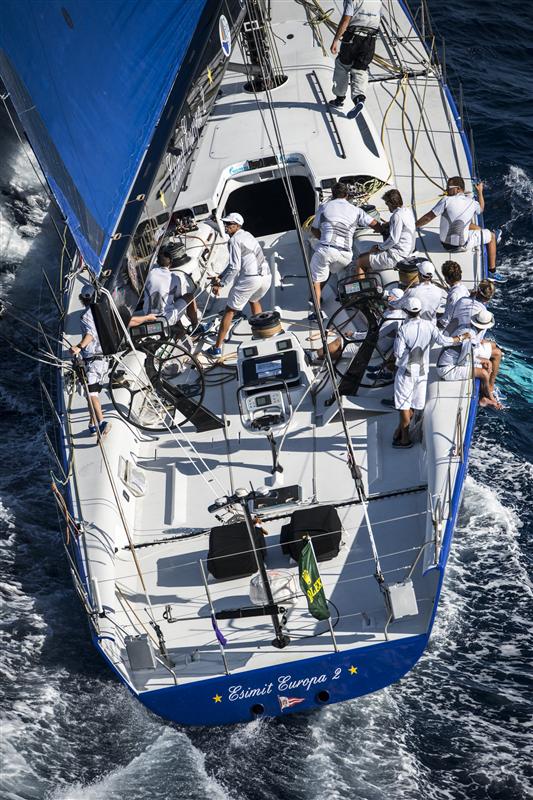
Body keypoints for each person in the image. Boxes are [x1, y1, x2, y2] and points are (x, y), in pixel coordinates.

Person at [392, 296, 469, 447]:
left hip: (406, 373)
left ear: (406, 311)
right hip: (422, 373)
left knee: (403, 405)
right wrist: (460, 338)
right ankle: (401, 429)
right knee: (414, 403)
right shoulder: (430, 326)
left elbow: (397, 353)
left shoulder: (403, 329)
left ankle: (405, 439)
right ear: (419, 311)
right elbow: (444, 341)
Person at [310, 182, 380, 317]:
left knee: (316, 280)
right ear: (347, 195)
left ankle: (317, 310)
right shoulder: (356, 210)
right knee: (338, 269)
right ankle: (350, 297)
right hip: (345, 254)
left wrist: (323, 238)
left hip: (326, 250)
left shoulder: (324, 207)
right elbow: (374, 224)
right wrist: (384, 231)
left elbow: (314, 229)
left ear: (333, 194)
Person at [415, 177, 505, 282]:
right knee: (492, 236)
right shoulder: (472, 203)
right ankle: (492, 271)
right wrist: (480, 191)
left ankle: (482, 234)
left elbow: (428, 218)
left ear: (458, 189)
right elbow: (481, 209)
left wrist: (414, 226)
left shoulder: (445, 200)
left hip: (444, 244)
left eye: (449, 188)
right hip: (460, 246)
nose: (446, 190)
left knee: (466, 223)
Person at [207, 213, 271, 357]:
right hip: (266, 277)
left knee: (230, 311)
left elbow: (235, 267)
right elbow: (234, 265)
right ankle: (263, 336)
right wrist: (221, 275)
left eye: (229, 224)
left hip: (250, 279)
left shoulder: (234, 240)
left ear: (237, 226)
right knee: (254, 300)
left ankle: (216, 348)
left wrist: (220, 284)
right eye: (226, 223)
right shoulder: (248, 235)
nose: (226, 226)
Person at [437, 309, 502, 409]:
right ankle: (490, 398)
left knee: (483, 368)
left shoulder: (467, 328)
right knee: (483, 373)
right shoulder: (470, 337)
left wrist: (482, 361)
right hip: (446, 369)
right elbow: (464, 360)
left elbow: (466, 355)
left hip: (449, 362)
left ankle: (484, 397)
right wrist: (483, 361)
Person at [69, 286, 111, 437]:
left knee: (91, 394)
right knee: (91, 393)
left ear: (82, 299)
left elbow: (90, 334)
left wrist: (78, 347)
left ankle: (101, 422)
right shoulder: (103, 311)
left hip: (93, 360)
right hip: (103, 361)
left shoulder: (86, 315)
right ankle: (92, 424)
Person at [329, 0, 383, 112]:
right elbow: (378, 19)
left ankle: (339, 99)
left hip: (353, 38)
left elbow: (345, 20)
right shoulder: (378, 1)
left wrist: (335, 40)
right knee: (360, 70)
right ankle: (359, 99)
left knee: (342, 65)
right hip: (370, 41)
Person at [354, 189, 415, 278]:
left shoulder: (397, 216)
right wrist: (387, 225)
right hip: (406, 253)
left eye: (387, 204)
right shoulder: (406, 211)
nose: (387, 207)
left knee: (360, 261)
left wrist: (379, 247)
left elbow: (394, 239)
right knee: (365, 256)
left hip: (396, 257)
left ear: (391, 203)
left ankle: (360, 289)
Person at [143, 249, 205, 333]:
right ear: (171, 264)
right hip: (165, 319)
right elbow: (178, 299)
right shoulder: (174, 278)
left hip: (147, 317)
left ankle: (179, 328)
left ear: (157, 262)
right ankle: (195, 327)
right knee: (189, 297)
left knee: (169, 304)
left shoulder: (149, 274)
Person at [438, 260, 470, 330]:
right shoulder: (463, 288)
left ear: (447, 278)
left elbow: (445, 322)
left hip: (453, 328)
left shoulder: (454, 295)